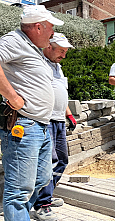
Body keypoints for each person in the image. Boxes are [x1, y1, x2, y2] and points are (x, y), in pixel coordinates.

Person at [0, 5, 64, 221]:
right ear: (38, 27)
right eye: (51, 29)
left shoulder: (31, 47)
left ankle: (19, 216)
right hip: (24, 126)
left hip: (41, 127)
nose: (53, 34)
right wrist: (13, 97)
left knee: (41, 179)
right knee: (19, 190)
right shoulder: (14, 40)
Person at [32, 33, 76, 221]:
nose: (63, 56)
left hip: (58, 120)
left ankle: (46, 195)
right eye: (61, 51)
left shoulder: (57, 67)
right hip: (45, 120)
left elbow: (60, 92)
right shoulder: (39, 64)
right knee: (47, 163)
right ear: (49, 46)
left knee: (62, 160)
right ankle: (42, 205)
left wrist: (68, 113)